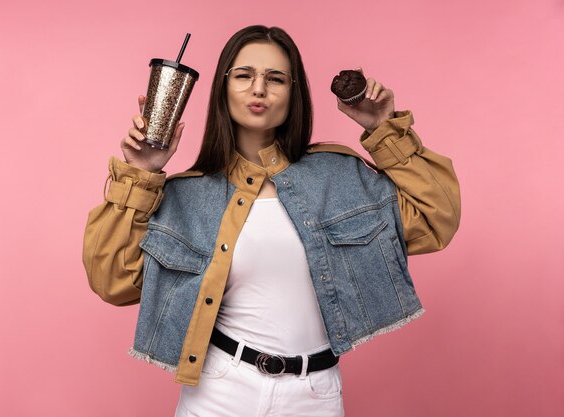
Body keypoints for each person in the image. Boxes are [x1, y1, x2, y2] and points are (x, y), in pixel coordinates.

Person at [83, 25, 460, 417]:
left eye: (275, 78)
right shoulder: (185, 196)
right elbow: (113, 279)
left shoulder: (338, 175)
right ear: (223, 89)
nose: (259, 89)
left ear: (293, 94)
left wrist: (382, 129)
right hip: (219, 392)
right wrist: (141, 174)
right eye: (244, 75)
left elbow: (437, 217)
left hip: (314, 395)